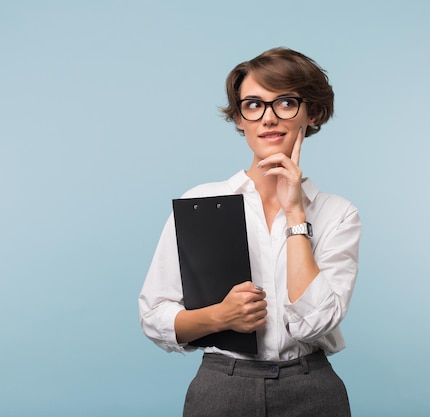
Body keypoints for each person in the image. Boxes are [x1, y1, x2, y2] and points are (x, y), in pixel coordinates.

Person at [139, 47, 361, 417]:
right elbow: (154, 315)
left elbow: (315, 322)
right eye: (254, 105)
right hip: (222, 387)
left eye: (286, 102)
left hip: (312, 389)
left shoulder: (337, 213)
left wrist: (295, 213)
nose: (268, 118)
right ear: (240, 118)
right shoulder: (202, 203)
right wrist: (219, 318)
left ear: (312, 112)